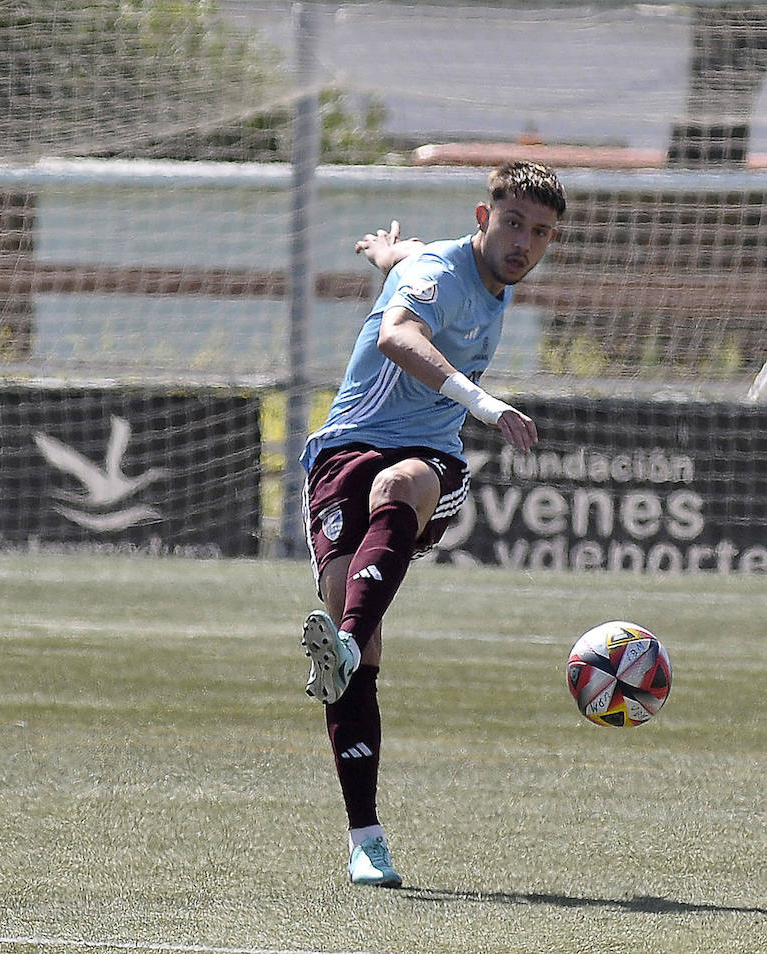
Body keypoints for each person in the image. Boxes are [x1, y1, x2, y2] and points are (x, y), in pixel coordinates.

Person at [297, 160, 565, 888]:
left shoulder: (454, 269)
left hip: (428, 460)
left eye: (539, 233)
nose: (523, 243)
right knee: (347, 602)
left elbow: (405, 262)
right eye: (513, 223)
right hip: (341, 448)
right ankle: (366, 837)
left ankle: (345, 645)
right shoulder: (445, 270)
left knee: (402, 484)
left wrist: (388, 255)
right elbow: (395, 336)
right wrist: (486, 405)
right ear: (484, 219)